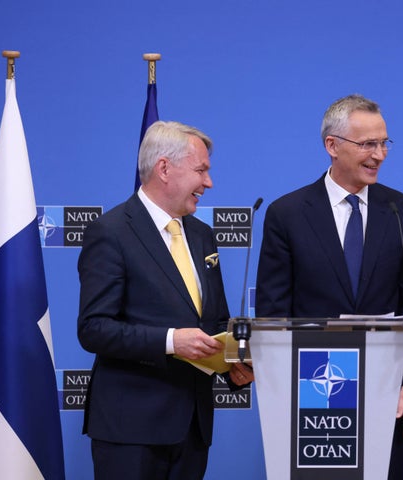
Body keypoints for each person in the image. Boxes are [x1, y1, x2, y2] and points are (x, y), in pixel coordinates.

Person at [255, 94, 403, 479]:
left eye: (384, 143)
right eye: (368, 144)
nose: (380, 154)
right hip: (312, 383)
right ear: (332, 146)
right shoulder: (286, 214)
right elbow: (272, 311)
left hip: (385, 385)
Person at [77, 120, 254, 480]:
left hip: (192, 429)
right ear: (164, 168)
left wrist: (234, 365)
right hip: (131, 431)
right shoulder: (110, 232)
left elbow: (215, 322)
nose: (209, 182)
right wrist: (173, 341)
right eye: (201, 170)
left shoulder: (203, 235)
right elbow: (94, 329)